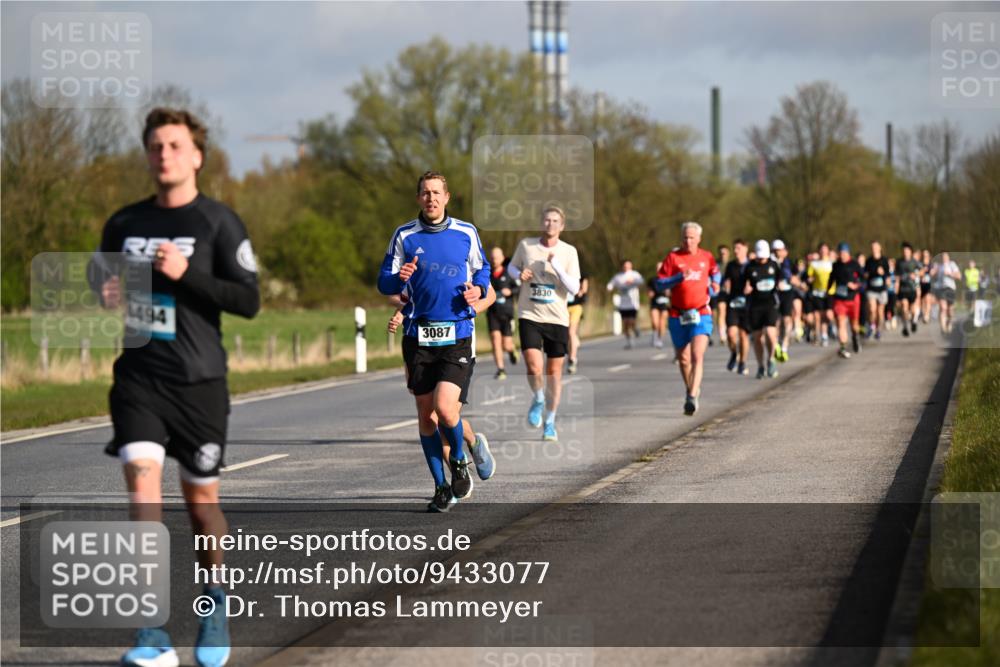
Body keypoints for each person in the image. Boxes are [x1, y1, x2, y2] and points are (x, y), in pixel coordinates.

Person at [89, 108, 260, 667]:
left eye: (174, 145)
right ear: (148, 155)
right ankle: (151, 630)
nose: (163, 154)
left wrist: (189, 276)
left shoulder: (217, 222)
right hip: (140, 379)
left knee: (201, 506)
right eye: (155, 146)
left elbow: (248, 301)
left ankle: (214, 605)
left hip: (200, 383)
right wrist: (108, 291)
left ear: (195, 156)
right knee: (143, 489)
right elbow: (100, 274)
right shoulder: (123, 223)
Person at [377, 170, 490, 512]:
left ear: (447, 197)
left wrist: (479, 289)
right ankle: (442, 486)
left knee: (445, 408)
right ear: (418, 198)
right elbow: (384, 282)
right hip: (418, 335)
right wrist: (399, 277)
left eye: (436, 192)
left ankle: (458, 458)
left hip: (457, 332)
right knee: (426, 416)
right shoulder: (404, 236)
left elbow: (482, 269)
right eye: (425, 193)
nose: (431, 198)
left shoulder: (465, 232)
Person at [387, 286, 496, 482]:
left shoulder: (464, 258)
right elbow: (404, 300)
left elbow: (491, 295)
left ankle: (472, 442)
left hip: (458, 348)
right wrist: (399, 315)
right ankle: (457, 477)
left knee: (444, 413)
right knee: (431, 417)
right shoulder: (414, 261)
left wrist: (470, 309)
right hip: (420, 349)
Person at [508, 206, 581, 441]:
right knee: (533, 366)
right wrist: (518, 275)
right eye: (547, 220)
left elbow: (575, 288)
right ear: (542, 223)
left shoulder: (569, 252)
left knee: (554, 373)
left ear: (562, 226)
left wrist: (556, 265)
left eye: (555, 221)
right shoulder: (526, 245)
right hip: (530, 314)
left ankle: (550, 421)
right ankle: (538, 397)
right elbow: (511, 266)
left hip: (557, 318)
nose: (550, 224)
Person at [655, 221, 720, 415]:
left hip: (701, 313)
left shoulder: (706, 256)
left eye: (692, 237)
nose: (688, 241)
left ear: (699, 238)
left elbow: (715, 273)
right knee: (684, 359)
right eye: (685, 237)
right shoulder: (673, 258)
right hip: (677, 314)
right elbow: (659, 283)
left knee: (696, 355)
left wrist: (715, 284)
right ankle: (691, 389)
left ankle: (691, 396)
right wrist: (678, 278)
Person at [743, 240, 782, 378]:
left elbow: (780, 280)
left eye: (763, 257)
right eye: (759, 257)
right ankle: (760, 366)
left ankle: (771, 359)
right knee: (757, 337)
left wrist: (780, 286)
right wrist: (746, 289)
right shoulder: (750, 268)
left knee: (771, 334)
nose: (761, 260)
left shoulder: (774, 265)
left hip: (770, 304)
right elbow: (745, 284)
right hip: (755, 306)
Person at [486, 247, 519, 380]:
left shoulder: (509, 273)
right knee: (495, 341)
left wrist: (510, 292)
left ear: (502, 258)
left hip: (507, 313)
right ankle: (501, 369)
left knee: (506, 344)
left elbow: (519, 287)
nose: (494, 260)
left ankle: (511, 350)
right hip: (493, 312)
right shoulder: (487, 274)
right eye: (492, 258)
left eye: (497, 257)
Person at [828, 242, 864, 359]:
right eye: (840, 253)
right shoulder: (836, 265)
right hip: (839, 299)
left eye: (844, 253)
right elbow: (831, 280)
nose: (842, 255)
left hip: (853, 299)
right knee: (841, 322)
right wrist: (828, 293)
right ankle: (843, 347)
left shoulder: (854, 264)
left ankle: (855, 336)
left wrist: (856, 285)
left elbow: (863, 280)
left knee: (854, 325)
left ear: (848, 253)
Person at [722, 239, 750, 375]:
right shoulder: (731, 266)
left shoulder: (751, 265)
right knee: (731, 334)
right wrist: (726, 285)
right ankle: (734, 353)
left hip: (747, 304)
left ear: (746, 249)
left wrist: (751, 287)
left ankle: (742, 362)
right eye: (734, 248)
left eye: (738, 248)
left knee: (743, 335)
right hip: (733, 303)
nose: (735, 251)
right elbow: (726, 280)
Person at [607, 260, 644, 349]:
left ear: (631, 266)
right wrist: (609, 288)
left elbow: (642, 281)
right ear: (622, 266)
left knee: (631, 321)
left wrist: (633, 281)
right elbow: (610, 284)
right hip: (623, 304)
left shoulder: (635, 274)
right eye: (625, 266)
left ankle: (635, 328)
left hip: (633, 303)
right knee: (625, 324)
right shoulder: (618, 277)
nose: (626, 267)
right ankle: (629, 341)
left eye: (628, 265)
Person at [772, 239, 796, 362]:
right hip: (775, 295)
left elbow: (795, 277)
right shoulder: (770, 263)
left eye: (779, 250)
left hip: (787, 293)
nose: (777, 253)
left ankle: (784, 347)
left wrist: (796, 281)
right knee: (776, 322)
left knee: (787, 321)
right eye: (775, 250)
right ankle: (776, 345)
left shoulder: (789, 263)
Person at [807, 243, 834, 347]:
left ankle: (830, 329)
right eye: (821, 250)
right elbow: (809, 276)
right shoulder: (814, 264)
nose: (823, 252)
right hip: (817, 292)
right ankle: (820, 336)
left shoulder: (832, 263)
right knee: (817, 316)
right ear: (819, 251)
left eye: (825, 249)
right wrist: (809, 279)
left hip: (829, 292)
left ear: (828, 251)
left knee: (827, 315)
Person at [864, 241, 891, 340]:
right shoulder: (869, 261)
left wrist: (883, 273)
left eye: (876, 247)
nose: (874, 249)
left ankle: (878, 330)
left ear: (880, 248)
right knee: (872, 309)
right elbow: (865, 274)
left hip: (882, 289)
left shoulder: (884, 260)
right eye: (872, 247)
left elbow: (888, 275)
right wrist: (871, 273)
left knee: (880, 312)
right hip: (871, 289)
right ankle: (871, 326)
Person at [895, 242, 922, 338]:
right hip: (903, 289)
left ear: (910, 252)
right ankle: (905, 327)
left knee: (913, 310)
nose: (905, 252)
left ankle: (914, 321)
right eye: (904, 251)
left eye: (907, 251)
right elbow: (896, 276)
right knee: (904, 307)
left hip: (912, 288)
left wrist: (916, 275)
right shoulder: (899, 262)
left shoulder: (914, 262)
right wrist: (896, 290)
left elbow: (922, 270)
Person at [931, 252, 961, 334]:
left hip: (950, 288)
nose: (943, 258)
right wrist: (934, 272)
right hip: (941, 289)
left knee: (950, 310)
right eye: (942, 257)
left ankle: (949, 322)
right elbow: (932, 275)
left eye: (945, 256)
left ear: (948, 257)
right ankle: (943, 327)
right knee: (943, 307)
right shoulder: (938, 265)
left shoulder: (952, 264)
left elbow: (959, 276)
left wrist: (949, 274)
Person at [566, 268, 589, 374]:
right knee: (567, 336)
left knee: (571, 332)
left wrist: (581, 291)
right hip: (563, 307)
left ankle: (572, 359)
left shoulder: (580, 274)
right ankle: (573, 346)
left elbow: (584, 289)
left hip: (576, 307)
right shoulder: (558, 270)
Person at [647, 262, 670, 348]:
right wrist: (650, 293)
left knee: (662, 323)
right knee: (655, 322)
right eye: (658, 268)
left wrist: (669, 293)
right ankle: (654, 334)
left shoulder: (669, 279)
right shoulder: (652, 280)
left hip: (664, 304)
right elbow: (649, 292)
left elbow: (671, 292)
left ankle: (659, 339)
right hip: (655, 304)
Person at [714, 245, 731, 345]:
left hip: (732, 292)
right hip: (720, 292)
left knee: (729, 313)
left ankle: (730, 331)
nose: (722, 255)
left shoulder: (731, 264)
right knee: (721, 311)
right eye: (721, 253)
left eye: (724, 253)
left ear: (728, 253)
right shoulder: (715, 265)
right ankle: (722, 335)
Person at [920, 249, 936, 324]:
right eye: (924, 255)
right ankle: (924, 313)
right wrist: (922, 271)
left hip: (929, 284)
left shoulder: (931, 264)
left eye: (926, 255)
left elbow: (933, 273)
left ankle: (927, 315)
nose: (925, 256)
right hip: (921, 284)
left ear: (929, 256)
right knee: (922, 301)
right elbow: (918, 273)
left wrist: (931, 272)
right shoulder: (920, 264)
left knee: (928, 299)